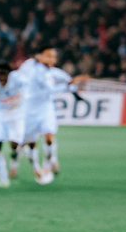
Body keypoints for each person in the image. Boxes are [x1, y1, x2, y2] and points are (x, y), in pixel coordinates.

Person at [17, 46, 90, 181]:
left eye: (53, 57)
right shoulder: (35, 71)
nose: (51, 59)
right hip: (30, 110)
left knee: (49, 135)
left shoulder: (53, 72)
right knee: (31, 142)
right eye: (48, 56)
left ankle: (51, 161)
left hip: (46, 108)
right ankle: (36, 168)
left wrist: (75, 91)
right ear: (40, 56)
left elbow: (67, 79)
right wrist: (69, 85)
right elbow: (50, 90)